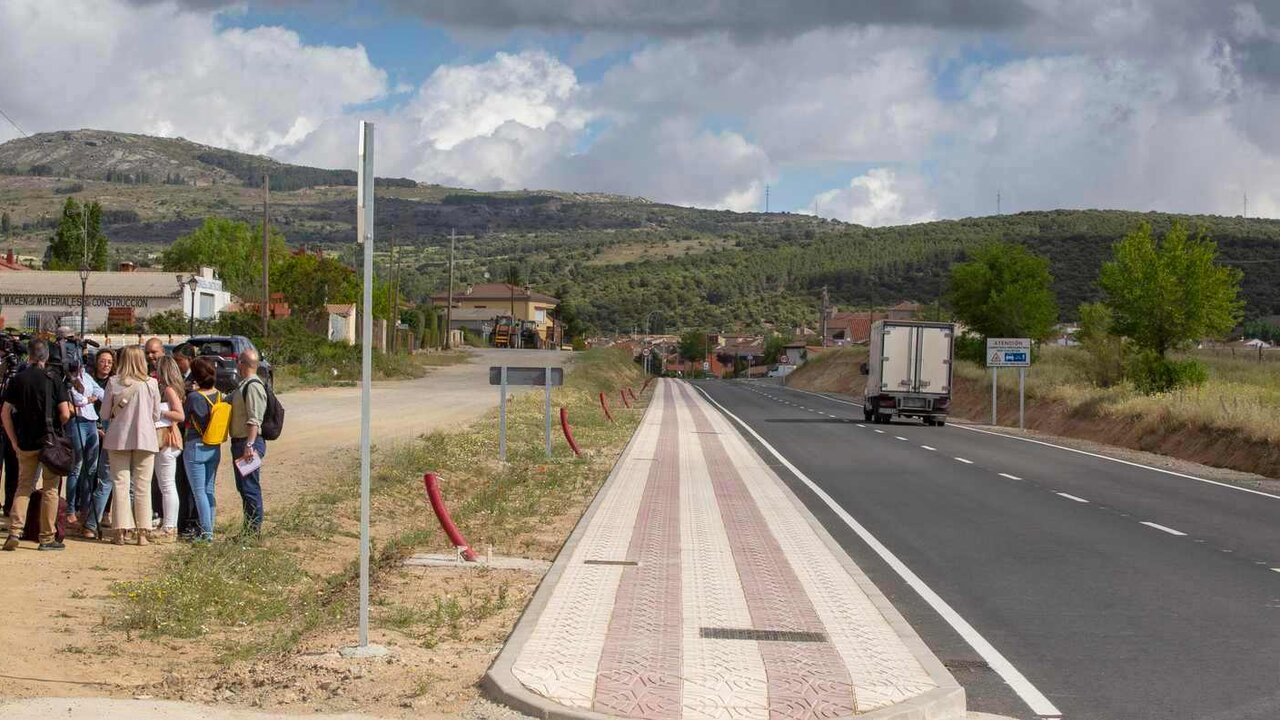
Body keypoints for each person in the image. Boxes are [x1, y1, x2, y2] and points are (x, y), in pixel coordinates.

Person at [2, 340, 72, 551]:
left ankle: (14, 531)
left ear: (29, 356)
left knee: (24, 486)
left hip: (25, 440)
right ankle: (46, 537)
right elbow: (65, 413)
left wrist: (13, 440)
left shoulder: (18, 379)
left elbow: (5, 413)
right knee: (50, 488)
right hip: (50, 440)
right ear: (46, 357)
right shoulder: (53, 378)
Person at [101, 345, 161, 546]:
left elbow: (104, 413)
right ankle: (143, 533)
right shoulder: (151, 383)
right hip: (145, 438)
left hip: (118, 438)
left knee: (120, 484)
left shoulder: (113, 382)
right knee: (143, 486)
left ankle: (119, 531)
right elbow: (156, 415)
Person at [183, 358, 223, 542]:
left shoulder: (194, 397)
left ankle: (206, 533)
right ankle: (210, 529)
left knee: (198, 492)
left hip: (196, 446)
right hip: (214, 446)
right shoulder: (220, 395)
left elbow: (184, 417)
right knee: (209, 490)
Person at [229, 349, 266, 534]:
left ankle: (253, 532)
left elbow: (254, 418)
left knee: (250, 487)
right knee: (244, 487)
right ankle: (249, 529)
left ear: (243, 363)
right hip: (241, 443)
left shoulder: (253, 386)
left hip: (249, 444)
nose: (237, 364)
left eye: (238, 361)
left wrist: (249, 445)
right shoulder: (243, 385)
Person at [64, 356, 104, 526]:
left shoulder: (86, 376)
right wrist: (90, 399)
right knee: (77, 466)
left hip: (91, 422)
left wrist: (90, 399)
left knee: (91, 468)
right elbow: (77, 400)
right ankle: (71, 509)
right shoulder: (68, 379)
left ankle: (85, 508)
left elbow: (100, 392)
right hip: (77, 422)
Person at [152, 356, 186, 542]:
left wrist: (160, 412)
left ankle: (169, 527)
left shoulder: (169, 390)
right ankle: (168, 524)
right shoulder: (172, 389)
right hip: (168, 440)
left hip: (167, 440)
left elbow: (179, 415)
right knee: (166, 484)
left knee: (167, 485)